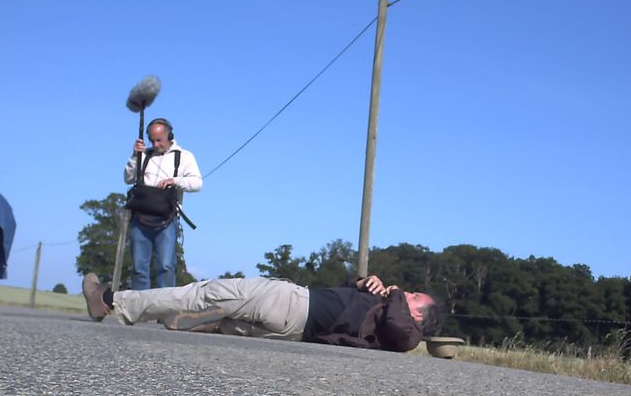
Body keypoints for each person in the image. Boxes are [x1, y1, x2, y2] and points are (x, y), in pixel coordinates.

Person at [82, 273, 444, 352]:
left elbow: (399, 327)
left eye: (413, 296)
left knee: (204, 292)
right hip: (292, 323)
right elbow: (345, 293)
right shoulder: (386, 313)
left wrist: (395, 292)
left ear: (419, 318)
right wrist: (364, 282)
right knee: (222, 319)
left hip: (290, 305)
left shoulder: (406, 332)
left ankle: (112, 301)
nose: (403, 291)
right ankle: (192, 324)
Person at [123, 117, 202, 290]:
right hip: (140, 218)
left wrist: (175, 180)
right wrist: (134, 156)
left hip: (167, 220)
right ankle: (139, 308)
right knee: (138, 268)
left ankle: (164, 310)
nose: (155, 144)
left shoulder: (184, 156)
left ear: (170, 136)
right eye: (152, 140)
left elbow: (197, 184)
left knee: (166, 266)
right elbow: (128, 178)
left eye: (159, 140)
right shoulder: (143, 155)